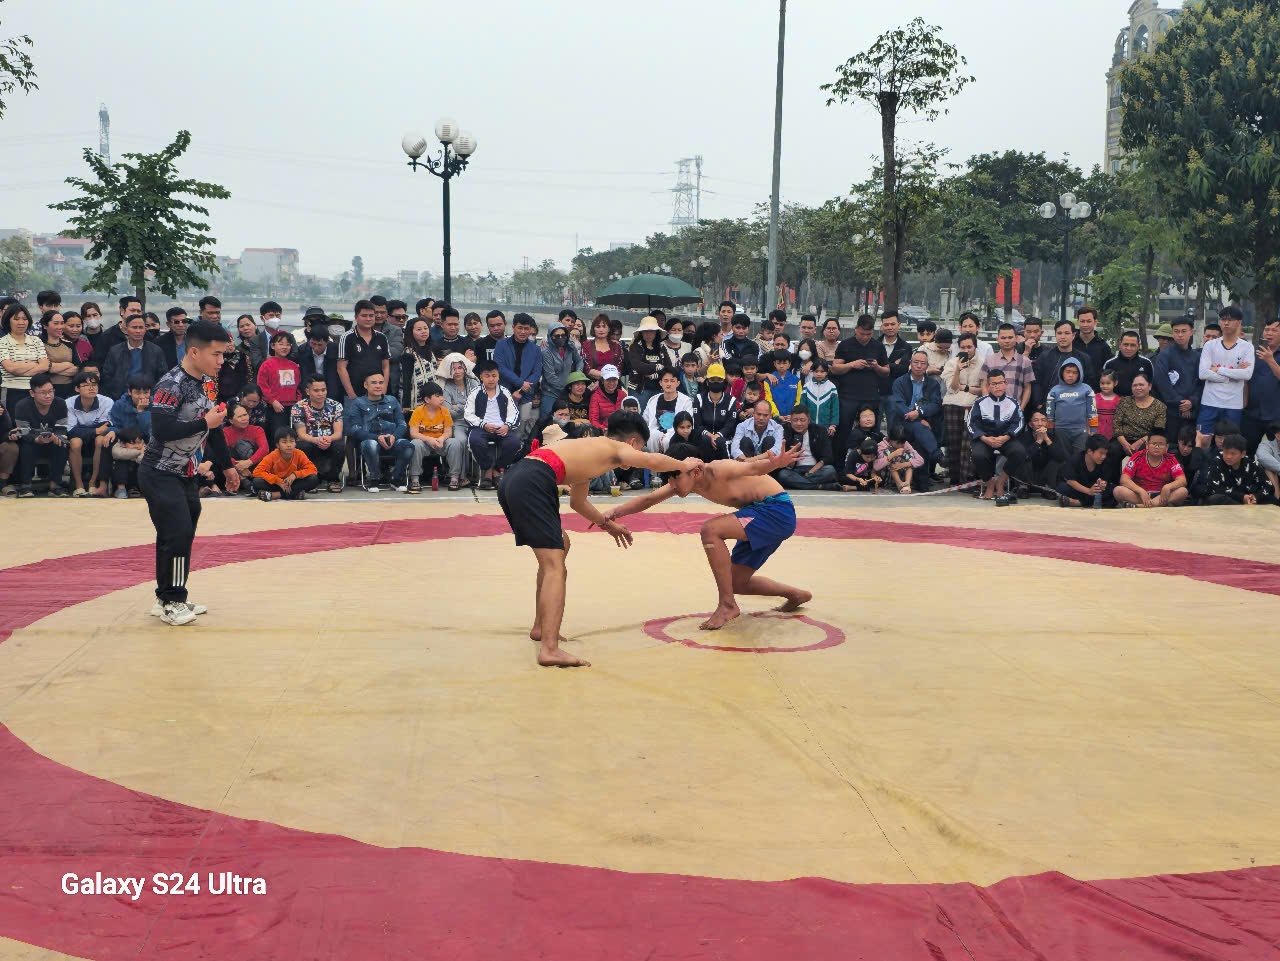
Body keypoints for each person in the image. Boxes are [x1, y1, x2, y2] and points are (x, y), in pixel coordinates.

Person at [496, 410, 699, 666]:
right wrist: (684, 465)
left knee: (560, 544)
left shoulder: (590, 453)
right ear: (633, 442)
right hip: (533, 480)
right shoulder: (612, 446)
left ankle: (540, 627)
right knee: (554, 566)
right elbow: (652, 461)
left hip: (517, 478)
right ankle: (549, 648)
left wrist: (609, 525)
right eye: (639, 448)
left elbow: (578, 502)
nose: (635, 456)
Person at [600, 437, 807, 632]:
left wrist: (777, 463)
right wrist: (613, 513)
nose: (672, 483)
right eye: (669, 477)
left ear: (696, 471)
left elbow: (752, 467)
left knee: (710, 530)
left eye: (676, 476)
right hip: (758, 515)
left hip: (776, 512)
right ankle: (796, 595)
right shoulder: (686, 480)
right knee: (736, 582)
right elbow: (647, 500)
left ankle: (727, 605)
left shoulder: (719, 469)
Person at [138, 320, 239, 625]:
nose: (221, 361)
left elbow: (215, 428)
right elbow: (163, 428)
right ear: (194, 352)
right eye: (217, 355)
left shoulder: (207, 382)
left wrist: (228, 467)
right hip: (158, 472)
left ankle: (165, 595)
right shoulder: (171, 385)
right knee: (178, 533)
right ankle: (173, 600)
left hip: (185, 473)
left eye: (224, 355)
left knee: (176, 534)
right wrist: (204, 424)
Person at [832, 316, 889, 468]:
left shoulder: (878, 346)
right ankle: (839, 467)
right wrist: (852, 364)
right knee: (843, 432)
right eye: (862, 333)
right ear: (856, 329)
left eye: (868, 334)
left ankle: (872, 469)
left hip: (870, 396)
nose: (865, 337)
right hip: (848, 396)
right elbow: (835, 368)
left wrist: (876, 366)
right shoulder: (845, 345)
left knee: (872, 434)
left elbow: (886, 371)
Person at [345, 371, 413, 493]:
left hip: (392, 441)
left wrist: (394, 436)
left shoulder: (392, 400)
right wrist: (377, 437)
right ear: (365, 385)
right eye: (374, 383)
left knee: (408, 446)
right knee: (370, 444)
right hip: (370, 442)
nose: (378, 386)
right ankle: (374, 479)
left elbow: (402, 424)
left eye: (381, 383)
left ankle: (395, 478)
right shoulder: (358, 403)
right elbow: (354, 430)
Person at [967, 370, 1027, 504]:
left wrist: (1006, 437)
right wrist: (984, 438)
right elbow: (971, 425)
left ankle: (1001, 481)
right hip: (985, 438)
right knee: (978, 455)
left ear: (1005, 384)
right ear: (988, 386)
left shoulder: (1013, 403)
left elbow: (1019, 423)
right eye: (993, 384)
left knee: (1019, 452)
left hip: (1006, 438)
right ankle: (989, 483)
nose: (997, 387)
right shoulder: (980, 403)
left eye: (1000, 383)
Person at [1196, 305, 1252, 445]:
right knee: (1204, 440)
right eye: (1223, 319)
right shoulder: (1210, 345)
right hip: (1210, 401)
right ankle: (1203, 467)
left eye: (1230, 320)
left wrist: (1219, 369)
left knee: (1230, 442)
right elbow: (1203, 373)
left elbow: (1247, 374)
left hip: (1233, 403)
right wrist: (1234, 374)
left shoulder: (1247, 347)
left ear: (1238, 323)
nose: (1226, 323)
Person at [465, 359, 522, 489]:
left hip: (501, 427)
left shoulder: (505, 392)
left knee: (514, 443)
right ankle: (487, 470)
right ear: (481, 377)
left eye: (494, 376)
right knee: (475, 440)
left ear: (498, 376)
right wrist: (483, 424)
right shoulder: (475, 392)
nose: (491, 379)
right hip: (482, 428)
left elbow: (514, 413)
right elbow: (468, 414)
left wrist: (507, 426)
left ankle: (497, 469)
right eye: (487, 376)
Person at [887, 351, 942, 485]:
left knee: (921, 437)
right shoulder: (899, 382)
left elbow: (935, 405)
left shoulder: (933, 384)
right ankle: (937, 455)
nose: (918, 366)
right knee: (920, 427)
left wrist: (919, 413)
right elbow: (899, 406)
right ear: (910, 363)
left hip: (923, 423)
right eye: (916, 362)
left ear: (927, 366)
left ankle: (921, 482)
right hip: (902, 423)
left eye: (922, 363)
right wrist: (918, 418)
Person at [12, 374, 71, 497]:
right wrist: (36, 439)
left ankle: (55, 486)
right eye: (43, 393)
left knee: (61, 445)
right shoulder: (22, 406)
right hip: (32, 442)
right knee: (26, 447)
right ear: (32, 393)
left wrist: (58, 436)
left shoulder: (60, 403)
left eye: (51, 391)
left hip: (51, 441)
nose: (48, 395)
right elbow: (22, 431)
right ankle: (25, 486)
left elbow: (62, 428)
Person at [941, 333, 983, 486]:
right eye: (963, 347)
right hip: (952, 405)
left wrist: (965, 388)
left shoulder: (983, 363)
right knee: (953, 443)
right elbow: (951, 389)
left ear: (975, 347)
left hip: (972, 406)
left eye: (969, 347)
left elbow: (983, 390)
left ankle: (967, 479)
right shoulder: (952, 363)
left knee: (968, 444)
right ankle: (954, 478)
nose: (967, 350)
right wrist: (958, 370)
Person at [493, 312, 542, 441]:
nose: (523, 332)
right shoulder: (501, 345)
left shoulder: (535, 350)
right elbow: (500, 367)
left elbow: (537, 373)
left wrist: (521, 389)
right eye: (520, 328)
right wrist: (521, 384)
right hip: (504, 392)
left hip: (525, 395)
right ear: (513, 327)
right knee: (502, 426)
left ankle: (519, 455)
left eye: (526, 329)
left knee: (522, 428)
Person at [292, 375, 345, 493]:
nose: (321, 393)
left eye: (323, 390)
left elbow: (338, 433)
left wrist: (328, 439)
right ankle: (309, 479)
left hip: (329, 440)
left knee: (339, 445)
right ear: (308, 391)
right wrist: (316, 440)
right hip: (310, 441)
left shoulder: (336, 405)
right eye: (316, 390)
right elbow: (301, 434)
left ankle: (333, 480)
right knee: (302, 446)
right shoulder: (298, 407)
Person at [64, 370, 114, 496]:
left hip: (95, 440)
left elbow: (105, 427)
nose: (91, 388)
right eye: (86, 385)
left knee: (100, 440)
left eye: (94, 384)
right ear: (77, 388)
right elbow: (70, 430)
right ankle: (79, 484)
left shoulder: (107, 402)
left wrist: (95, 431)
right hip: (78, 439)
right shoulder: (68, 403)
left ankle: (93, 482)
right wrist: (96, 430)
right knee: (75, 442)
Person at [1151, 319, 1202, 440]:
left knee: (1189, 446)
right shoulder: (1164, 355)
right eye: (1176, 331)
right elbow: (1162, 382)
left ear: (1191, 332)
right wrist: (1180, 404)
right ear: (1172, 333)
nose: (1180, 335)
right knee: (1171, 446)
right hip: (1170, 412)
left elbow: (1201, 383)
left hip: (1192, 411)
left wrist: (1191, 402)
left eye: (1184, 331)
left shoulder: (1197, 357)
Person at [408, 381, 463, 492]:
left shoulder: (444, 411)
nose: (441, 399)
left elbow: (448, 432)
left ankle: (454, 478)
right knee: (415, 444)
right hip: (424, 442)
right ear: (427, 399)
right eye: (437, 396)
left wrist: (441, 439)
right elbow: (413, 433)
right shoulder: (418, 411)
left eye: (441, 395)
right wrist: (429, 439)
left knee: (455, 443)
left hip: (440, 442)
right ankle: (415, 479)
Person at [105, 375, 153, 498]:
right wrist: (112, 430)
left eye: (146, 392)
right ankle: (109, 486)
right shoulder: (119, 405)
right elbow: (115, 424)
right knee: (105, 441)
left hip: (145, 441)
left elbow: (150, 431)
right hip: (124, 441)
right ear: (129, 392)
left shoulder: (156, 405)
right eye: (137, 392)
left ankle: (143, 487)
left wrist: (141, 412)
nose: (142, 396)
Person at [1113, 430, 1188, 507]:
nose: (1157, 447)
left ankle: (1142, 506)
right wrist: (1140, 491)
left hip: (1161, 495)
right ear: (1147, 445)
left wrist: (1168, 487)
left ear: (1167, 447)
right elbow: (1124, 480)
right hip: (1140, 495)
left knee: (1183, 491)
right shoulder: (1137, 457)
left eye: (1161, 444)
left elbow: (1182, 480)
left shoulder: (1171, 459)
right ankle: (1155, 504)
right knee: (1118, 491)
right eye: (1153, 443)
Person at [1044, 357, 1096, 461]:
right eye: (1068, 371)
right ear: (1062, 372)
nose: (1071, 375)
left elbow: (1092, 411)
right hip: (1061, 430)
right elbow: (1049, 412)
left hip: (1081, 430)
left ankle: (1077, 477)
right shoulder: (1055, 390)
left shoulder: (1087, 389)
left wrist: (1094, 428)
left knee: (1079, 457)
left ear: (1080, 373)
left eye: (1075, 372)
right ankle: (1064, 477)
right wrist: (1050, 429)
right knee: (1063, 458)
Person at [1, 302, 50, 412]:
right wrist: (33, 364)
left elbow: (44, 366)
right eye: (16, 319)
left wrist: (19, 368)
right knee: (14, 426)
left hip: (36, 390)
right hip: (12, 390)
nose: (21, 322)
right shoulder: (2, 342)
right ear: (8, 321)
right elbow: (11, 368)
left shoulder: (36, 340)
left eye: (24, 318)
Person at [1202, 433, 1274, 506]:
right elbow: (1213, 488)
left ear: (1243, 454)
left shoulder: (1252, 464)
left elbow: (1268, 486)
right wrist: (1242, 497)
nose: (1228, 456)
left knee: (1271, 500)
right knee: (1215, 498)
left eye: (1233, 454)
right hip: (1229, 501)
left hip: (1248, 501)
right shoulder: (1216, 462)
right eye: (1225, 452)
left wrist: (1255, 497)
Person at [249, 427, 319, 501]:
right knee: (256, 482)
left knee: (313, 479)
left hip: (293, 484)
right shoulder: (272, 456)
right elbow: (257, 472)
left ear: (295, 443)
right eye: (284, 442)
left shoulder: (299, 454)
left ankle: (276, 495)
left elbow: (313, 469)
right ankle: (294, 493)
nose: (289, 445)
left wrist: (295, 475)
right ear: (277, 445)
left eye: (292, 441)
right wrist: (278, 481)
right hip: (277, 484)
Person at [778, 407, 840, 490]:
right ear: (791, 421)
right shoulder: (786, 431)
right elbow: (786, 464)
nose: (799, 423)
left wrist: (811, 472)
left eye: (802, 420)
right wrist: (792, 457)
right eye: (795, 420)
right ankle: (820, 486)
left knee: (830, 471)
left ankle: (799, 483)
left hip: (815, 469)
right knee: (783, 475)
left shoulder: (819, 430)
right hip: (795, 470)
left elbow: (828, 457)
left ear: (809, 420)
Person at [256, 331, 302, 443]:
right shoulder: (266, 365)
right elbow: (262, 385)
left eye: (288, 344)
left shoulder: (294, 366)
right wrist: (272, 401)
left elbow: (298, 386)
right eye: (281, 344)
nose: (285, 347)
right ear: (272, 346)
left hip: (293, 407)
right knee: (278, 437)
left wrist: (299, 402)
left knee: (293, 437)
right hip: (275, 407)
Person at [981, 323, 1036, 412]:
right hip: (992, 409)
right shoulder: (989, 360)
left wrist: (1021, 409)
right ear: (997, 339)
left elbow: (1027, 388)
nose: (1007, 341)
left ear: (1016, 339)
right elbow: (984, 385)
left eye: (1010, 337)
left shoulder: (1025, 361)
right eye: (1003, 338)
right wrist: (988, 406)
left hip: (1015, 410)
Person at [1112, 373, 1167, 459]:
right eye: (1135, 385)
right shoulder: (1124, 402)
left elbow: (1158, 430)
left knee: (1148, 450)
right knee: (1112, 450)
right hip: (1123, 440)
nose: (1138, 388)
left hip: (1146, 441)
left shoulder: (1159, 406)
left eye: (1141, 385)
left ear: (1149, 386)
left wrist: (1140, 442)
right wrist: (1124, 444)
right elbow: (1116, 425)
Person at [1058, 434, 1118, 508]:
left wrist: (1103, 484)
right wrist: (1088, 491)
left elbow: (1105, 480)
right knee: (1062, 487)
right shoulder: (1076, 459)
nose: (1103, 456)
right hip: (1081, 488)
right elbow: (1070, 480)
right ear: (1089, 451)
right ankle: (1087, 502)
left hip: (1095, 489)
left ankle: (1078, 502)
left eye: (1105, 453)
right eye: (1101, 453)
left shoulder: (1106, 461)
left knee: (1113, 490)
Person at [642, 368, 694, 454]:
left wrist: (665, 436)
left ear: (678, 383)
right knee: (652, 435)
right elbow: (645, 421)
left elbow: (688, 424)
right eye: (666, 381)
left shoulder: (686, 401)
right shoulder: (653, 400)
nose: (669, 384)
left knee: (667, 440)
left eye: (672, 381)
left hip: (676, 433)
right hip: (656, 434)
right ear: (660, 383)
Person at [540, 320, 583, 411]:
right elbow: (550, 377)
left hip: (567, 392)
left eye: (563, 335)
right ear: (550, 337)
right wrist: (568, 387)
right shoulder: (546, 352)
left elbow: (579, 360)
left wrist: (578, 375)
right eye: (557, 336)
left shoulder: (570, 347)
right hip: (550, 393)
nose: (560, 338)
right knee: (547, 419)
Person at [399, 317, 438, 414]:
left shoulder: (430, 350)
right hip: (415, 401)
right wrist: (406, 404)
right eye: (419, 329)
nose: (423, 331)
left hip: (432, 399)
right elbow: (406, 381)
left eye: (425, 328)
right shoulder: (408, 353)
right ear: (411, 332)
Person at [294, 324, 342, 402]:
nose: (316, 348)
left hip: (331, 389)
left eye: (320, 345)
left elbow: (335, 377)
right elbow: (305, 376)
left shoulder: (336, 350)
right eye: (313, 344)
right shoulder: (303, 350)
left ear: (327, 342)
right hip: (311, 389)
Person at [1101, 330, 1155, 397]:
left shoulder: (1146, 363)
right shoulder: (1110, 364)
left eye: (1133, 345)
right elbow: (1104, 387)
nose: (1129, 348)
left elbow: (1151, 387)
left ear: (1138, 346)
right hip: (1117, 404)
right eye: (1126, 344)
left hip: (1140, 404)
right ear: (1120, 344)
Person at [874, 424, 925, 494]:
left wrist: (903, 465)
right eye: (898, 443)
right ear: (891, 440)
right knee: (888, 453)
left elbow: (920, 460)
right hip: (886, 476)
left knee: (909, 456)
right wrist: (893, 455)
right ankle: (899, 485)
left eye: (902, 443)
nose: (900, 445)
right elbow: (876, 466)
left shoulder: (905, 444)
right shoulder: (882, 445)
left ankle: (907, 484)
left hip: (902, 474)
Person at [1072, 306, 1113, 388]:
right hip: (1073, 390)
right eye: (1082, 321)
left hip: (1096, 392)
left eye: (1089, 321)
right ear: (1078, 322)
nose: (1085, 324)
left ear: (1095, 322)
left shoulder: (1103, 346)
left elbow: (1109, 371)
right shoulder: (1071, 343)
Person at [801, 361, 839, 438]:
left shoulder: (832, 387)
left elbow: (835, 408)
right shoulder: (807, 386)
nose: (819, 374)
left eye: (822, 371)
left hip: (826, 427)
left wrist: (833, 425)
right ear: (812, 371)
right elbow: (802, 406)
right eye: (816, 371)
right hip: (808, 426)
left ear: (827, 372)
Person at [582, 313, 625, 382]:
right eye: (598, 327)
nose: (601, 330)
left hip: (613, 383)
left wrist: (610, 379)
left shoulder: (616, 346)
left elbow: (619, 368)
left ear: (608, 329)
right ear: (593, 329)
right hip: (592, 383)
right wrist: (607, 377)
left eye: (604, 326)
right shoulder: (586, 345)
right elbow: (587, 369)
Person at [589, 364, 629, 434]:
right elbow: (593, 420)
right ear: (602, 380)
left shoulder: (623, 395)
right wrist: (604, 430)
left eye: (614, 379)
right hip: (604, 432)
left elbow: (629, 416)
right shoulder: (595, 396)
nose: (611, 383)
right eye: (608, 380)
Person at [1094, 370, 1121, 439]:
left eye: (1108, 383)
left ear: (1115, 383)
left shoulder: (1119, 400)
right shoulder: (1094, 398)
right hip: (1097, 435)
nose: (1105, 386)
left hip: (1113, 436)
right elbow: (1092, 415)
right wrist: (1092, 430)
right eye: (1102, 383)